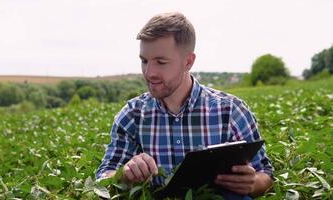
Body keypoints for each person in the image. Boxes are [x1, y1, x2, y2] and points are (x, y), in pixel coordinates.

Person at [96, 12, 273, 199]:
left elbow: (265, 173)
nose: (149, 72)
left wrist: (253, 183)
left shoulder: (231, 111)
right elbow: (103, 178)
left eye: (161, 62)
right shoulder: (132, 115)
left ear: (188, 61)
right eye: (144, 61)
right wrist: (124, 174)